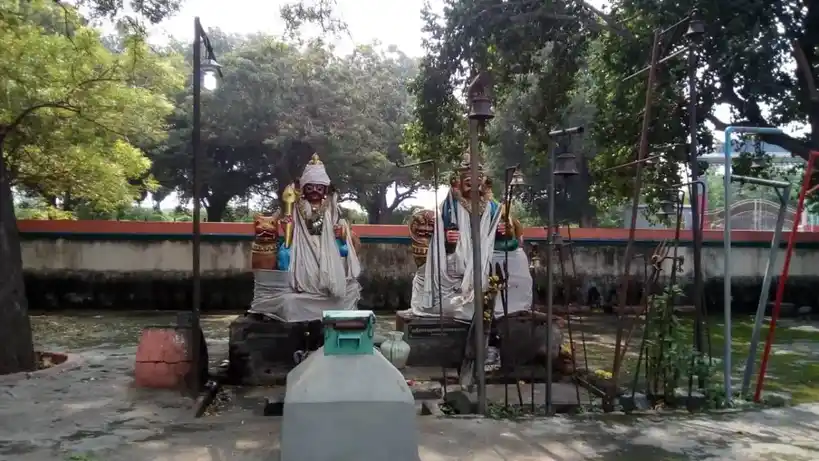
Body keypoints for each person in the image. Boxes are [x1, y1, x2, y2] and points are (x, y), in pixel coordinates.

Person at [249, 153, 362, 323]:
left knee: (346, 288)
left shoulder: (331, 206)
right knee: (285, 262)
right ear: (303, 189)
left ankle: (326, 294)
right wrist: (287, 224)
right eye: (310, 188)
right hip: (302, 247)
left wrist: (341, 232)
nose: (315, 192)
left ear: (325, 189)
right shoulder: (296, 206)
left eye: (319, 188)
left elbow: (340, 228)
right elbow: (288, 227)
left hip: (327, 248)